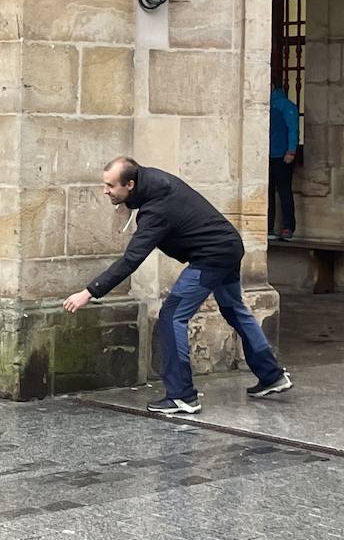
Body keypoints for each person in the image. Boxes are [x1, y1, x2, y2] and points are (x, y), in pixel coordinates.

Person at [63, 156, 293, 415]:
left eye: (110, 186)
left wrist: (89, 292)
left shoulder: (157, 208)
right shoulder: (150, 183)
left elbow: (131, 260)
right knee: (233, 308)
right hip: (227, 247)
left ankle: (183, 396)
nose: (105, 190)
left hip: (212, 257)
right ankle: (271, 375)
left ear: (129, 184)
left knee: (172, 316)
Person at [269, 85, 299, 240]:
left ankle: (288, 227)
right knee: (267, 193)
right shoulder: (263, 104)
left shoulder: (285, 105)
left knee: (284, 191)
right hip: (266, 155)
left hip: (282, 155)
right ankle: (268, 226)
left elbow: (293, 128)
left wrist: (291, 150)